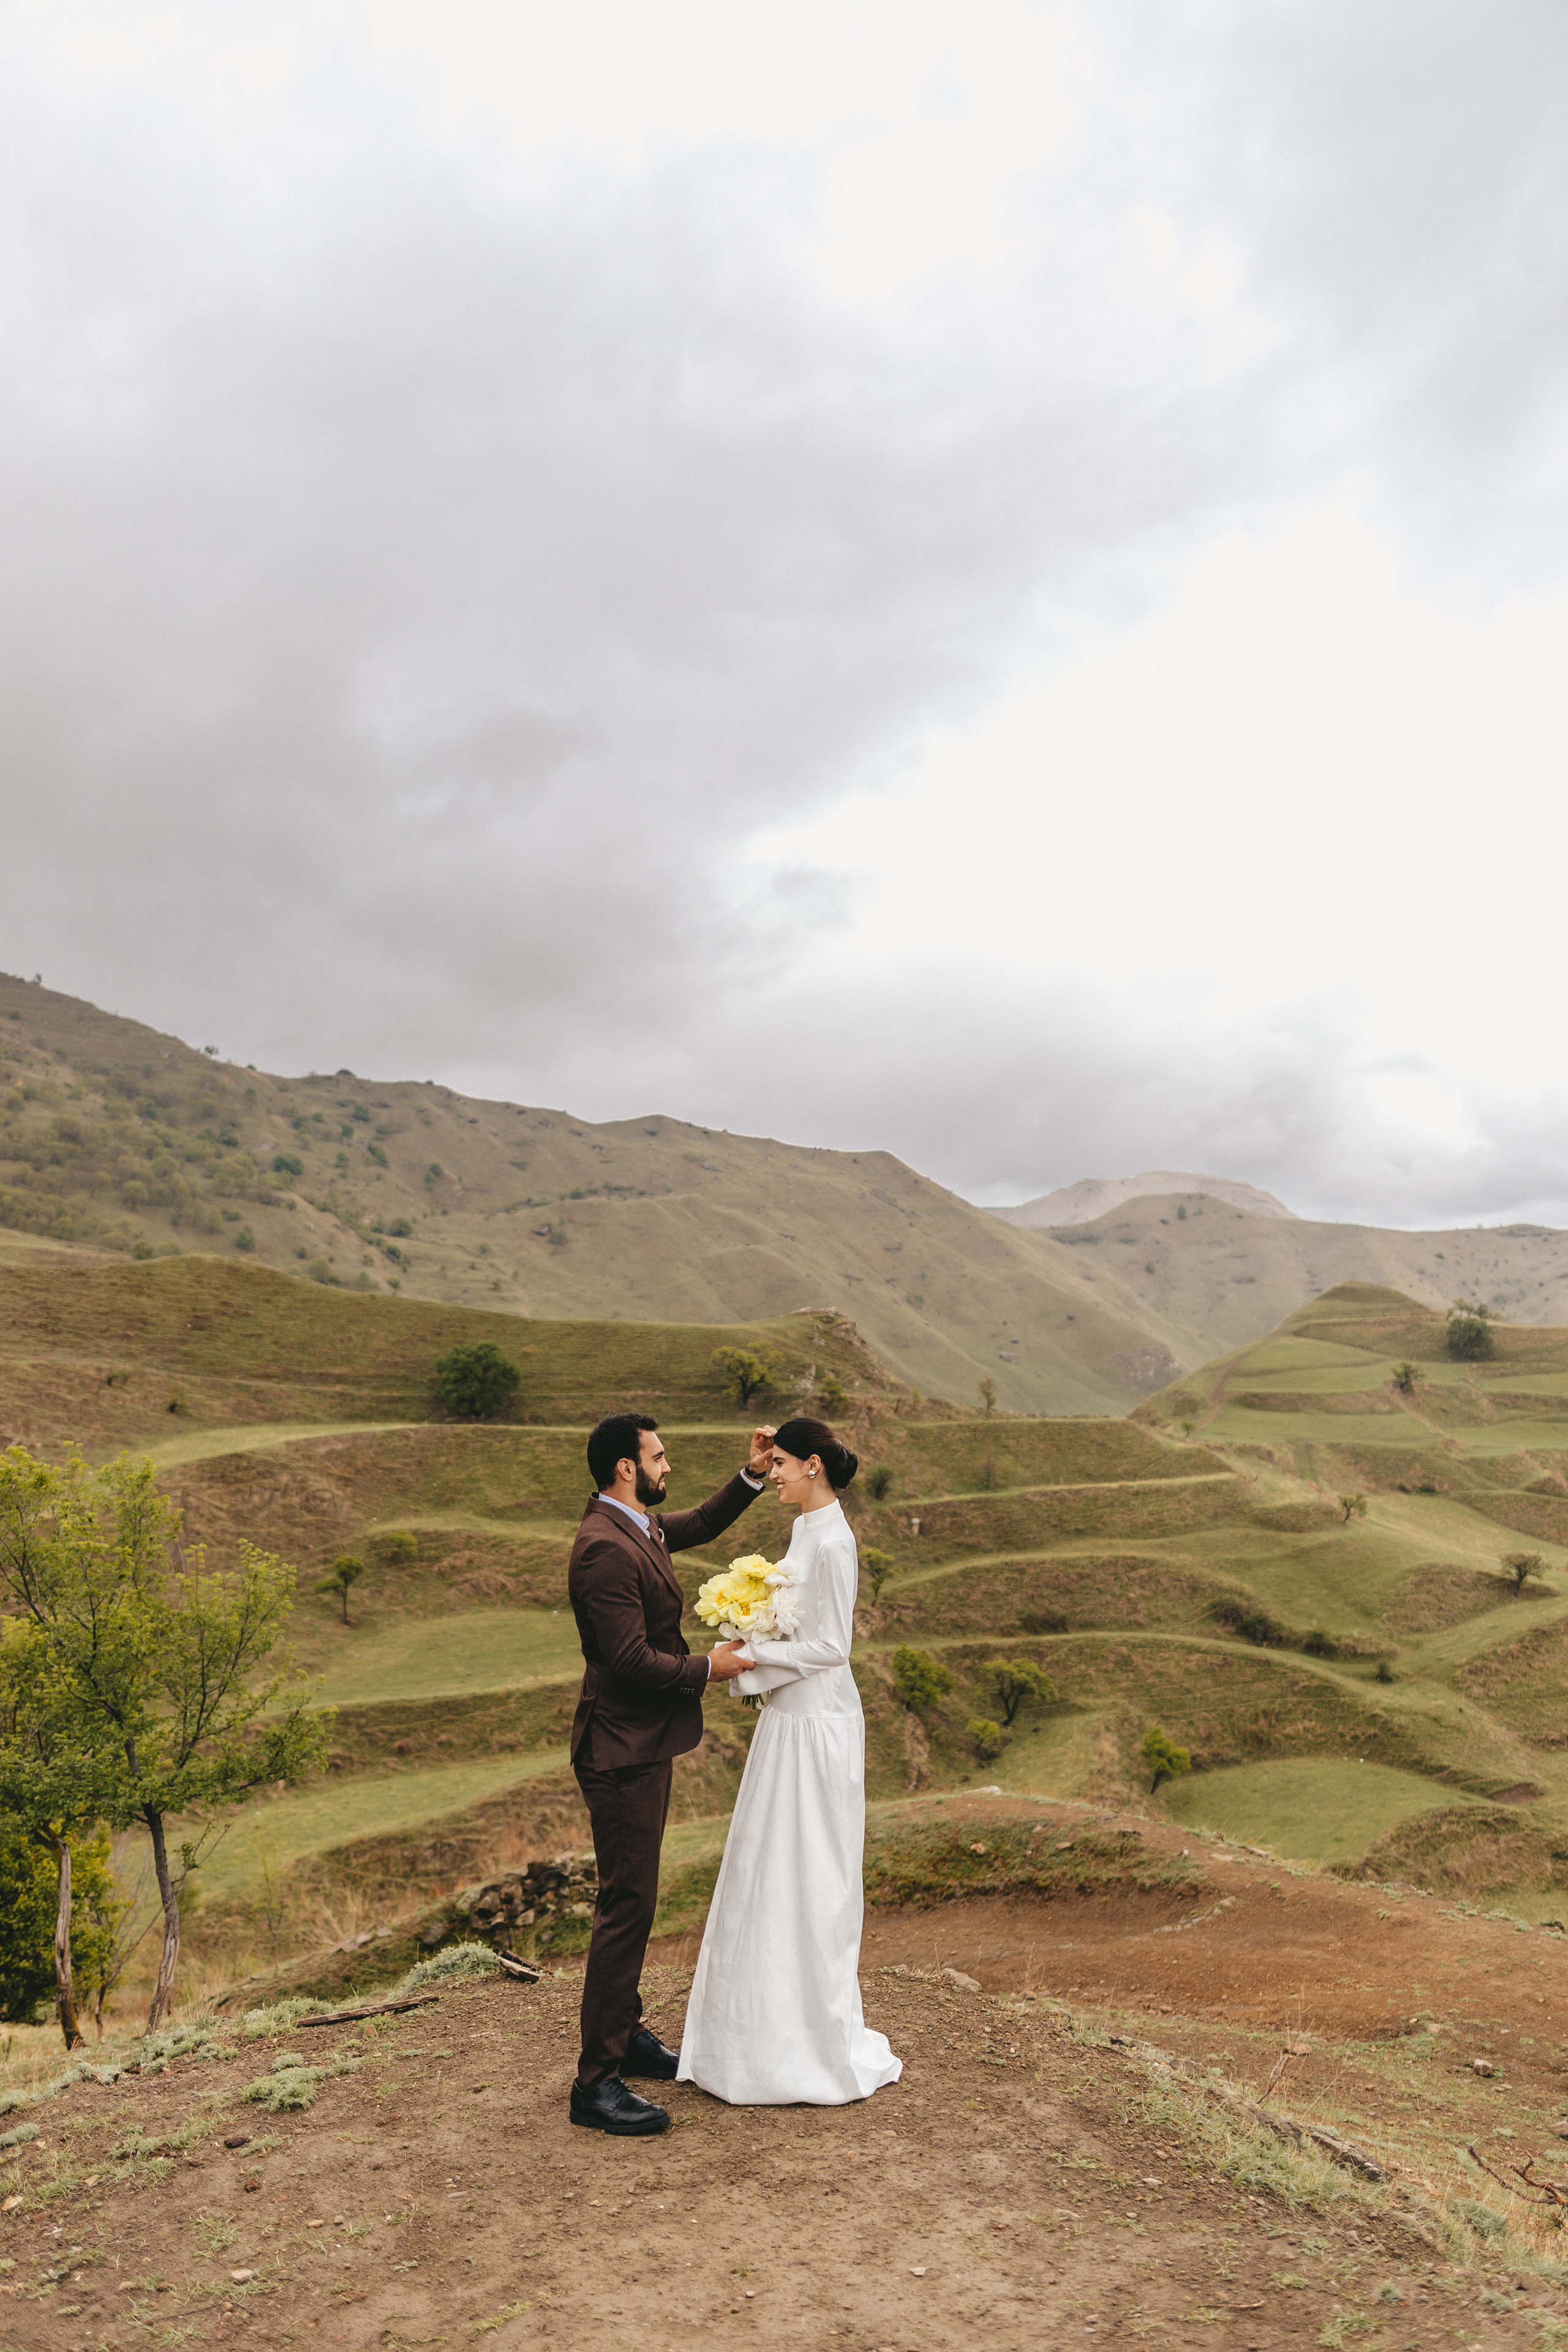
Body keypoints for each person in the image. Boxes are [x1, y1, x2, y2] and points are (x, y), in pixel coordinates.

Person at [677, 1416, 902, 2106]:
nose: (772, 1474)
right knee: (766, 1865)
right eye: (770, 1464)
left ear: (813, 1465)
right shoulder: (806, 1528)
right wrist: (754, 1634)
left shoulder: (835, 1540)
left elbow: (833, 1647)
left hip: (818, 1722)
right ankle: (755, 2037)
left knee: (808, 1870)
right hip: (789, 1715)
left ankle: (804, 2042)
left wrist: (751, 1654)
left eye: (779, 1464)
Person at [566, 1410, 775, 2137]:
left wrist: (752, 1474)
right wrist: (706, 1668)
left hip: (641, 1744)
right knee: (627, 1905)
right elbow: (627, 1660)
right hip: (618, 1750)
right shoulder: (602, 1548)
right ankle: (596, 2082)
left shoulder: (636, 1526)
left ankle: (624, 2037)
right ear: (626, 1467)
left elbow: (699, 1524)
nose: (666, 1466)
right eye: (657, 1457)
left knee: (635, 1899)